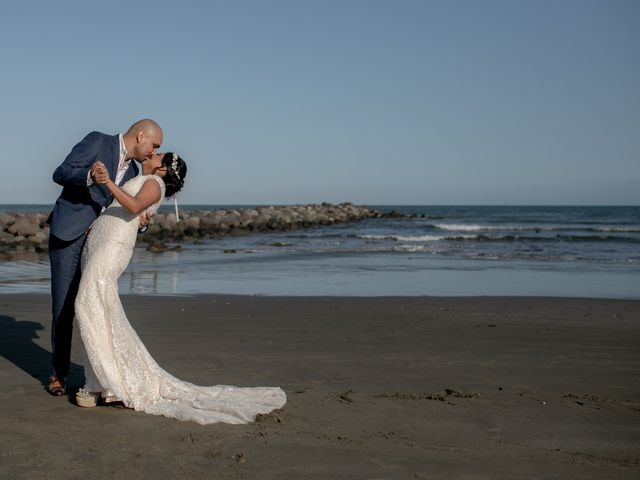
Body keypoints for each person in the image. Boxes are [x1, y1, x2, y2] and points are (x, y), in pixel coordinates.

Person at [74, 153, 286, 425]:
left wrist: (107, 183)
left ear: (162, 168)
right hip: (100, 240)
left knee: (87, 303)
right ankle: (101, 384)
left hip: (113, 245)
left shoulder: (154, 182)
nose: (152, 154)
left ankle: (107, 383)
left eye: (158, 154)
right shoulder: (140, 176)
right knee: (97, 308)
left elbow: (134, 206)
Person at [46, 119, 163, 396]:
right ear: (141, 136)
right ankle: (58, 374)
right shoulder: (99, 141)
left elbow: (126, 205)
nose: (154, 151)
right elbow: (61, 172)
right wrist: (89, 175)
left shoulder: (135, 170)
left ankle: (99, 375)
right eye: (155, 145)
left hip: (98, 246)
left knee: (93, 306)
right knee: (63, 308)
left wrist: (141, 221)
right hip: (69, 235)